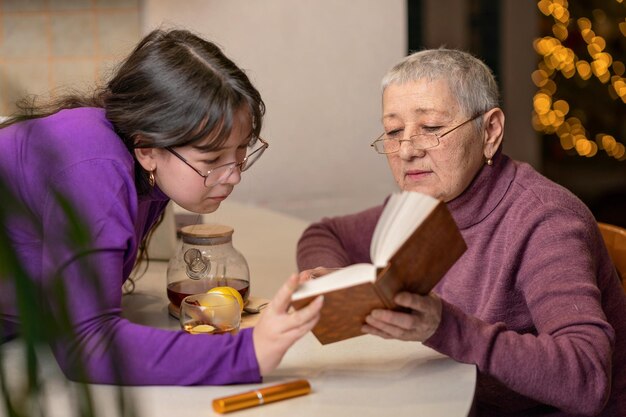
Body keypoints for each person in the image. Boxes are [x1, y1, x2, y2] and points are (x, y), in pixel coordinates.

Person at [296, 49, 626, 416]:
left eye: (432, 128)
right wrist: (336, 284)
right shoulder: (428, 203)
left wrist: (444, 326)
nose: (406, 150)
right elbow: (324, 234)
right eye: (393, 131)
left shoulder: (545, 220)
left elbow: (589, 378)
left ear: (490, 131)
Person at [0, 28, 323, 385]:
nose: (233, 176)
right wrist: (248, 352)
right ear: (148, 150)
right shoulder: (92, 167)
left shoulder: (147, 167)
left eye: (242, 150)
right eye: (213, 157)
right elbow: (87, 344)